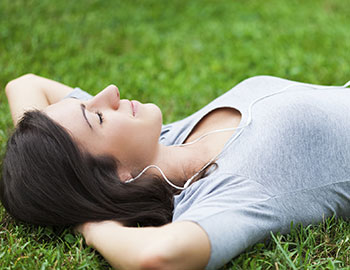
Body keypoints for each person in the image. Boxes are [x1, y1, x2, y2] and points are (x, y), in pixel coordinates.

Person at [1, 73, 350, 270]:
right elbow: (158, 257)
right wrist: (89, 220)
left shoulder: (168, 139)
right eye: (98, 117)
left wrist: (46, 166)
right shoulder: (235, 187)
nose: (109, 93)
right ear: (117, 177)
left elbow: (24, 84)